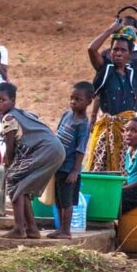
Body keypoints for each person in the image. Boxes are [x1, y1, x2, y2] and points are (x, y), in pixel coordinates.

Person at [84, 21, 137, 173]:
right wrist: (110, 30)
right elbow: (92, 48)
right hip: (106, 128)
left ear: (130, 53)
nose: (118, 53)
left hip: (127, 130)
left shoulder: (135, 69)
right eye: (115, 50)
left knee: (124, 171)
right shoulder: (105, 68)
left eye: (123, 50)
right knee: (99, 167)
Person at [0, 82, 64, 240]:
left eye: (2, 100)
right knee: (21, 185)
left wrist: (7, 165)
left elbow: (9, 150)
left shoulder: (9, 118)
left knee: (13, 180)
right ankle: (32, 229)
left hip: (45, 150)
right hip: (54, 150)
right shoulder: (20, 113)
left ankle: (19, 229)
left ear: (12, 101)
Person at [48, 82, 92, 239]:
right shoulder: (66, 115)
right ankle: (60, 228)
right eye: (72, 98)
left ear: (88, 102)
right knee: (59, 199)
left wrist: (75, 170)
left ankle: (66, 230)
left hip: (69, 168)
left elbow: (80, 149)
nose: (73, 102)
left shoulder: (83, 125)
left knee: (67, 201)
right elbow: (58, 135)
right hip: (58, 165)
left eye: (78, 99)